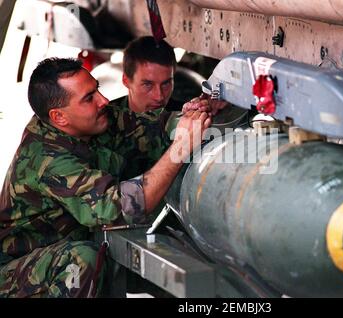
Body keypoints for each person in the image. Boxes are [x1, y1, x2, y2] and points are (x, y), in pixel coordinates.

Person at [0, 57, 210, 298]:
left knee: (174, 265)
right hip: (18, 274)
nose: (103, 100)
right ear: (59, 117)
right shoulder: (49, 160)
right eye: (89, 98)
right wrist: (181, 148)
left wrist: (194, 116)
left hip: (66, 246)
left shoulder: (90, 120)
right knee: (80, 262)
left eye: (96, 90)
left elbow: (152, 128)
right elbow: (123, 207)